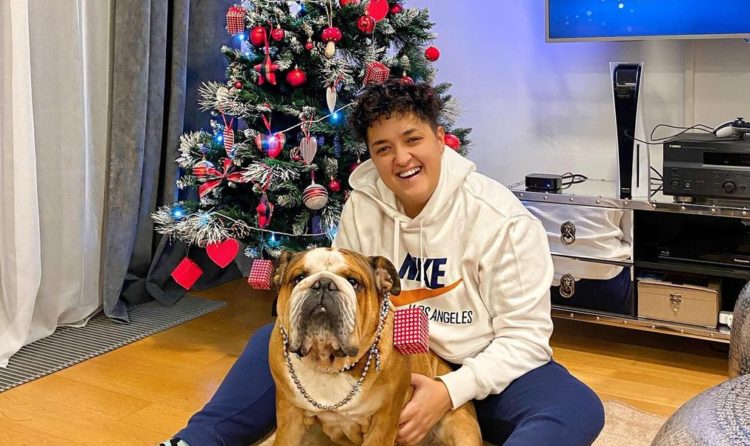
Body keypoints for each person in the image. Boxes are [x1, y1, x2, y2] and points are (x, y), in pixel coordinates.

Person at [164, 79, 605, 446]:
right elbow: (348, 305)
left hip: (478, 366)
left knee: (575, 407)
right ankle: (196, 440)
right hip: (386, 357)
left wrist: (449, 391)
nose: (402, 159)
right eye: (383, 148)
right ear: (372, 156)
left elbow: (526, 340)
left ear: (440, 138)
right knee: (272, 339)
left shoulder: (502, 219)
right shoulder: (363, 204)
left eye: (412, 139)